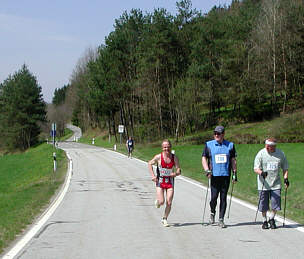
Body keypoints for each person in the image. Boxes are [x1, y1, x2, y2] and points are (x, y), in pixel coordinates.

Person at [202, 125, 237, 228]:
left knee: (223, 198)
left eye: (219, 133)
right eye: (215, 133)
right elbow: (204, 158)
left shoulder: (230, 145)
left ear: (223, 134)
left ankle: (221, 219)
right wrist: (206, 170)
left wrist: (235, 173)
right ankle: (212, 212)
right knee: (213, 197)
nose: (216, 135)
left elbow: (233, 160)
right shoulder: (209, 145)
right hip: (214, 175)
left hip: (225, 175)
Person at [254, 137, 289, 229]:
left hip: (276, 183)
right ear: (266, 146)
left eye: (273, 146)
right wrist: (261, 172)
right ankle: (264, 220)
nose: (270, 148)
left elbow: (285, 167)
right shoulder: (261, 154)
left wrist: (286, 178)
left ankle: (272, 218)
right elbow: (256, 168)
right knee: (263, 204)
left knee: (276, 203)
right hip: (263, 184)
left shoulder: (280, 154)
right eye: (269, 146)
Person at [148, 139, 181, 227]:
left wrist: (176, 173)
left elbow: (178, 169)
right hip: (160, 181)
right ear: (162, 148)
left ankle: (164, 218)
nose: (167, 149)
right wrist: (153, 176)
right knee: (162, 202)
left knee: (169, 202)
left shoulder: (174, 157)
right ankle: (158, 202)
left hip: (170, 182)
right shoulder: (158, 157)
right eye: (165, 147)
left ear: (171, 147)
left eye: (168, 147)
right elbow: (150, 163)